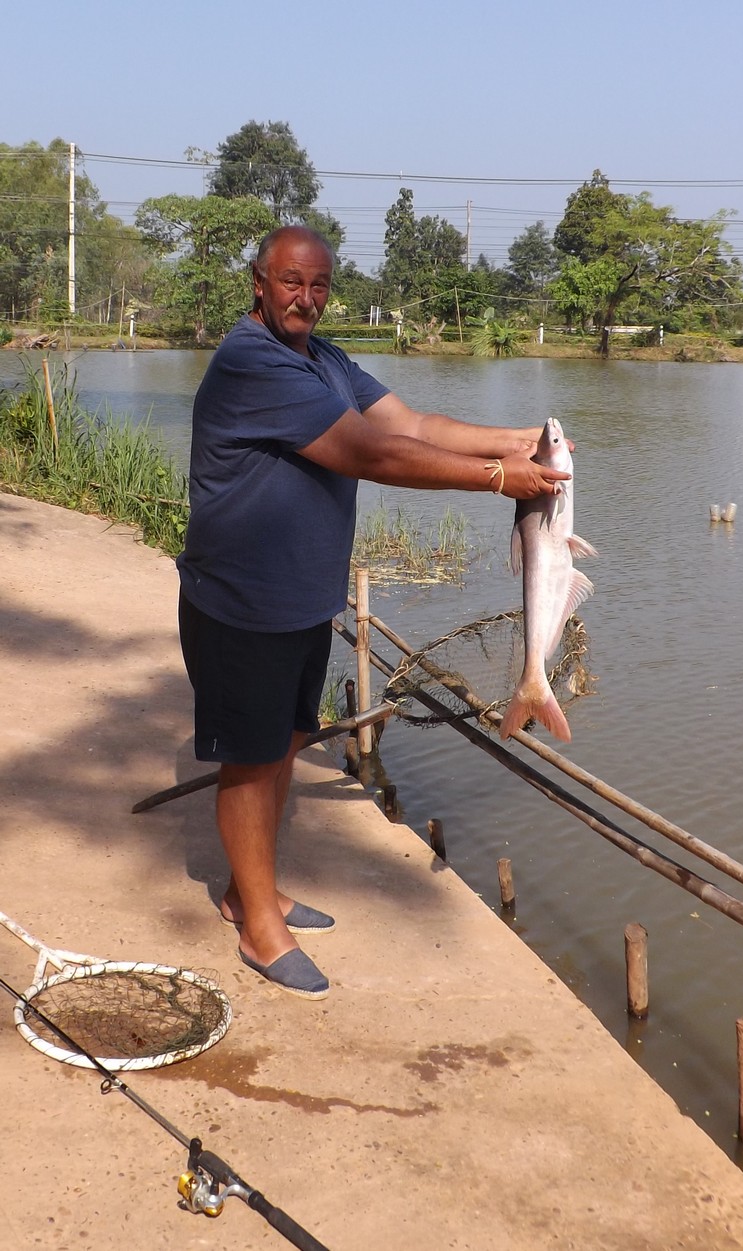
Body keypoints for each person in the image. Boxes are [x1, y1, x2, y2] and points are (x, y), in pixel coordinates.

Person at [177, 224, 569, 1000]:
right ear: (258, 281)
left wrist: (522, 439)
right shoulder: (251, 360)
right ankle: (260, 925)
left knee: (283, 742)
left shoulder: (322, 362)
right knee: (250, 758)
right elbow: (370, 453)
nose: (307, 299)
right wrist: (496, 478)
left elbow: (412, 426)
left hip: (300, 599)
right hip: (241, 601)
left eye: (320, 285)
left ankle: (247, 891)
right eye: (292, 282)